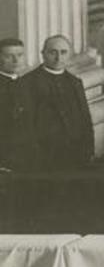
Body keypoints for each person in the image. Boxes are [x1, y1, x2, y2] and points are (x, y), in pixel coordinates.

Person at [26, 34, 94, 168]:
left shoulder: (75, 82)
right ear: (43, 54)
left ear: (69, 55)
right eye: (53, 52)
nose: (58, 58)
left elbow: (85, 119)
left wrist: (89, 150)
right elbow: (26, 126)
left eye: (63, 52)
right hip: (44, 158)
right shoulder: (27, 82)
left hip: (75, 155)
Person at [0, 37, 36, 171]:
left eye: (20, 55)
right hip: (5, 158)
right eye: (9, 56)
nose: (16, 60)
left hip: (27, 155)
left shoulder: (26, 84)